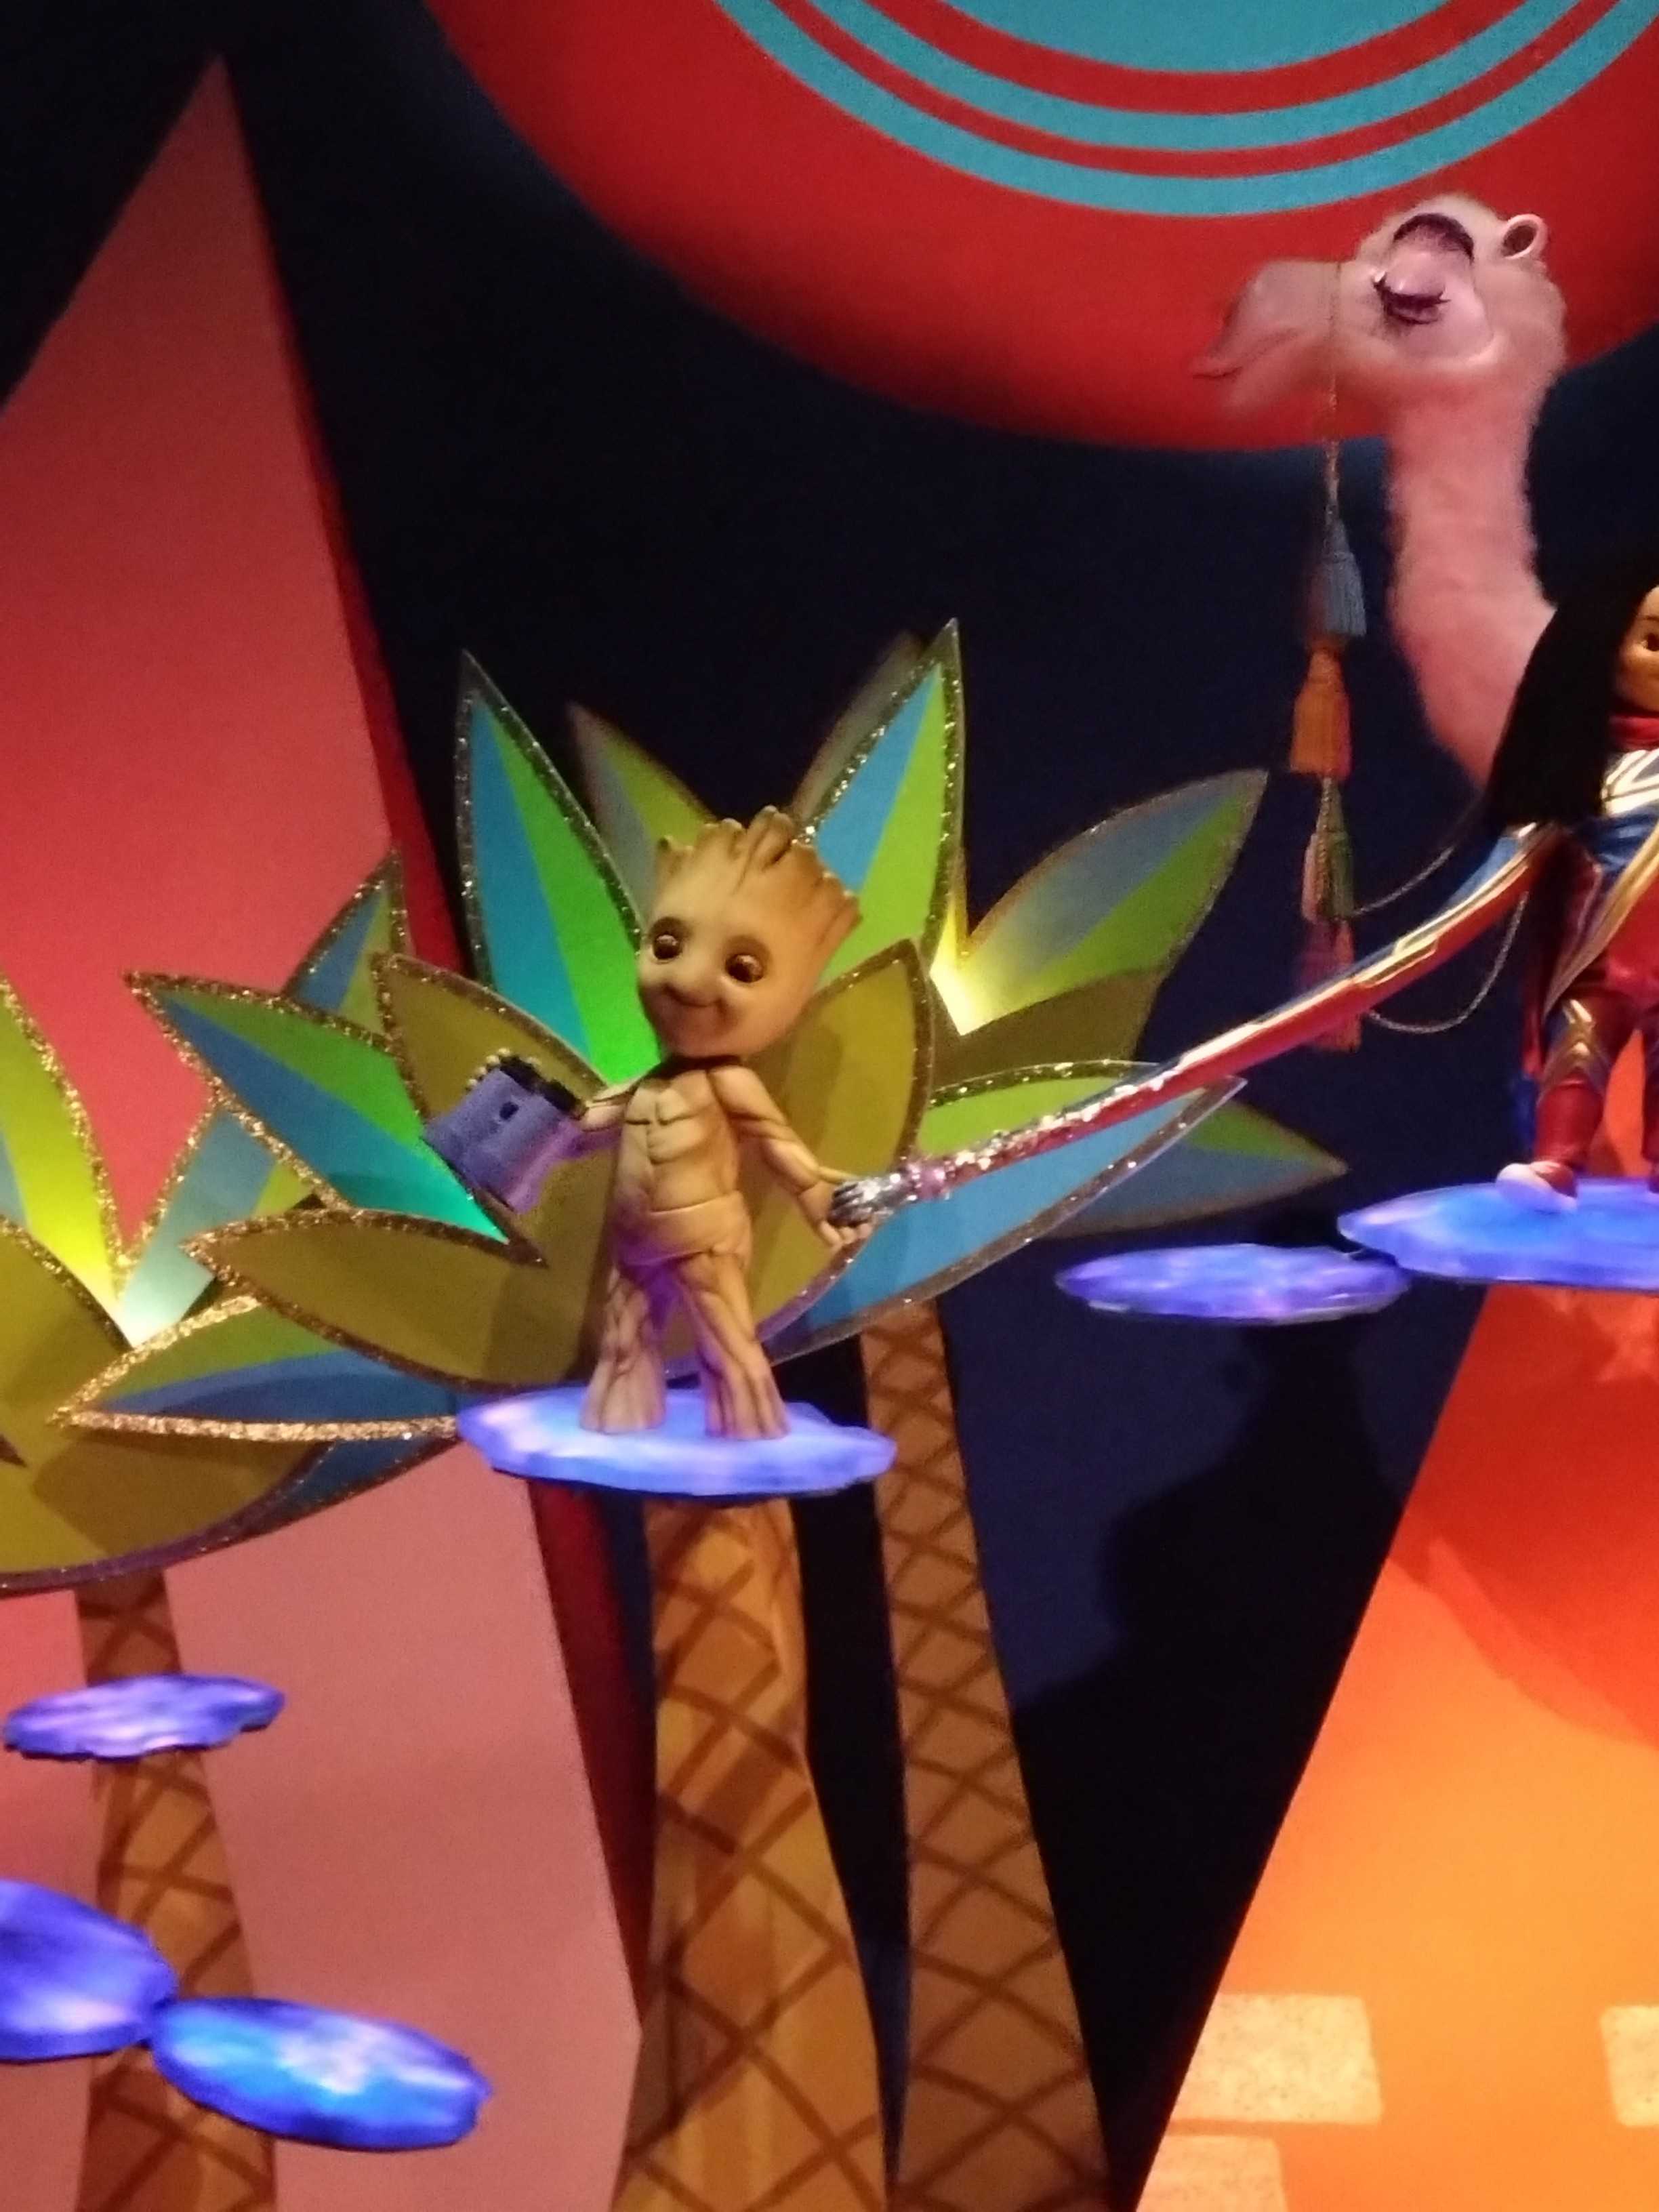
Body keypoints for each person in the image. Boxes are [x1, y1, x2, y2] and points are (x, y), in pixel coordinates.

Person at [1485, 550, 1659, 1204]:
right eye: (1653, 643)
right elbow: (1517, 857)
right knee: (1580, 1048)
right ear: (1606, 653)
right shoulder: (1584, 771)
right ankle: (1558, 1162)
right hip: (1600, 957)